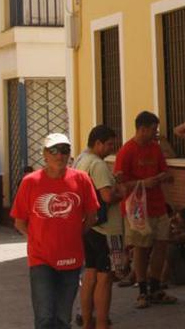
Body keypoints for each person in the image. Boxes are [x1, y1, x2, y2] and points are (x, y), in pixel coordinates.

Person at [11, 133, 100, 329]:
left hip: (71, 258)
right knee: (44, 317)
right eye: (53, 151)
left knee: (62, 317)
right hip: (41, 259)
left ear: (69, 154)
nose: (59, 155)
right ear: (44, 154)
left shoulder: (82, 179)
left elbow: (92, 216)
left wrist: (75, 234)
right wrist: (36, 239)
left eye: (64, 151)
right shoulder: (30, 182)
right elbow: (19, 221)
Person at [115, 111, 177, 308]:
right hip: (137, 210)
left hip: (159, 206)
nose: (155, 133)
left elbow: (165, 170)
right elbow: (120, 184)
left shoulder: (155, 149)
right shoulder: (126, 151)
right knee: (141, 249)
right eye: (153, 129)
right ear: (141, 129)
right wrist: (143, 183)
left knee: (161, 245)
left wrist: (163, 177)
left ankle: (156, 287)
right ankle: (142, 290)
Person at [73, 125, 122, 329]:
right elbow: (107, 196)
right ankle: (101, 322)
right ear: (98, 143)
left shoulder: (80, 160)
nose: (112, 148)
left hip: (89, 225)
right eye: (110, 144)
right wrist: (122, 191)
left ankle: (87, 321)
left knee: (90, 273)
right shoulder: (98, 164)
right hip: (106, 229)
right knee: (105, 277)